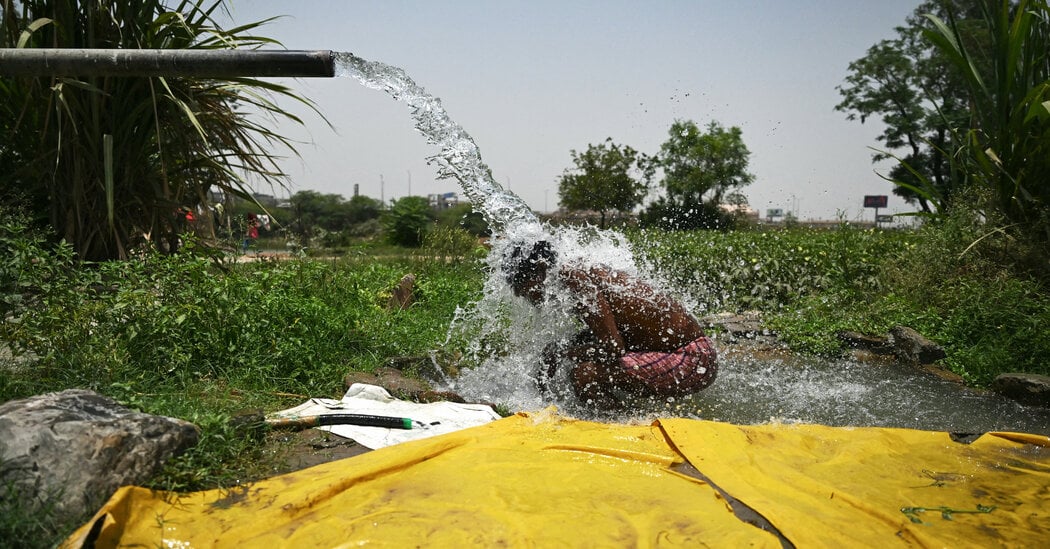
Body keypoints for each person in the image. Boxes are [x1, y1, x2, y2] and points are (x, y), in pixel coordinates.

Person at [504, 240, 717, 408]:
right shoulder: (575, 272)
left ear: (540, 269)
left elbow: (613, 347)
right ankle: (626, 415)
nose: (522, 294)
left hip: (693, 360)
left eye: (522, 286)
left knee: (585, 374)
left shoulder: (575, 279)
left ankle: (633, 433)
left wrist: (559, 353)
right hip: (679, 353)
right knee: (576, 345)